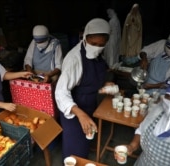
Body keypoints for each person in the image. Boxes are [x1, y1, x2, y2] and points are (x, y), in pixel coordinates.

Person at [55, 18, 115, 160]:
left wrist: (104, 84)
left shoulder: (99, 53)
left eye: (101, 44)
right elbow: (61, 91)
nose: (97, 47)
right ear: (85, 37)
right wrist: (80, 114)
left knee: (86, 141)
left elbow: (92, 75)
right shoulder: (74, 59)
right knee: (74, 149)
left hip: (90, 103)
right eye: (93, 44)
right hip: (73, 108)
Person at [136, 30, 170, 95]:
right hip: (147, 83)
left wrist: (152, 86)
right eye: (168, 47)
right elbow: (144, 51)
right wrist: (144, 58)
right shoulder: (162, 44)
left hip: (163, 92)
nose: (169, 50)